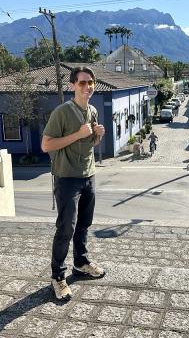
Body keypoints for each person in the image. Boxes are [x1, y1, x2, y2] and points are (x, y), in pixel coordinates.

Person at [41, 66, 105, 301]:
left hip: (89, 175)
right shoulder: (62, 112)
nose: (87, 87)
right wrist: (78, 134)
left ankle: (80, 262)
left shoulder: (93, 111)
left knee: (84, 224)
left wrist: (98, 135)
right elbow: (46, 145)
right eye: (82, 83)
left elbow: (90, 145)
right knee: (66, 227)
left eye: (90, 83)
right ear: (72, 86)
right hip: (67, 178)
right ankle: (58, 276)